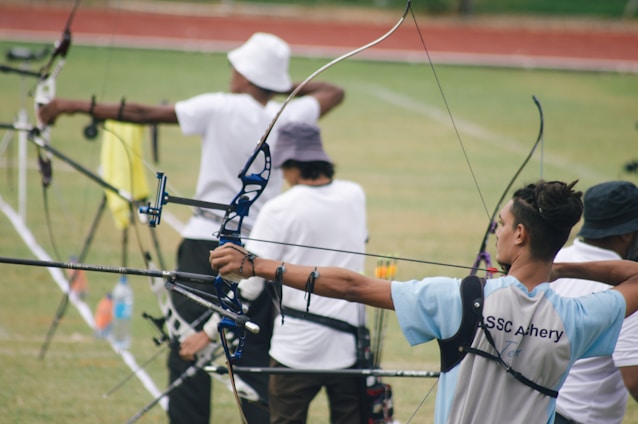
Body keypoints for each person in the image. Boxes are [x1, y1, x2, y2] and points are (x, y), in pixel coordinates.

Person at [39, 32, 344, 424]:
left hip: (208, 247)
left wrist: (70, 105)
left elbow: (145, 113)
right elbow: (333, 90)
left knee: (188, 349)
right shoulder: (291, 113)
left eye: (238, 67)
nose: (231, 72)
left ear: (248, 75)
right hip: (260, 255)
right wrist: (282, 87)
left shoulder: (219, 106)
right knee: (252, 353)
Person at [210, 179, 638, 423]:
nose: (498, 231)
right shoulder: (579, 317)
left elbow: (351, 287)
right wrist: (558, 269)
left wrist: (259, 266)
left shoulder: (464, 298)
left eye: (503, 224)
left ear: (521, 235)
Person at [237, 121, 368, 424]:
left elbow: (250, 283)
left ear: (293, 165)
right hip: (348, 347)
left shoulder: (279, 208)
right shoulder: (354, 194)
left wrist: (210, 331)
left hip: (295, 351)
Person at [550, 180, 638, 424]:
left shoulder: (555, 259)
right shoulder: (631, 288)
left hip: (534, 409)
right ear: (628, 234)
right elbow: (635, 380)